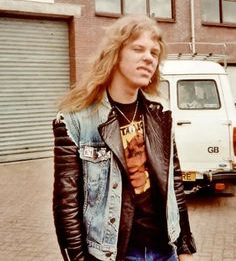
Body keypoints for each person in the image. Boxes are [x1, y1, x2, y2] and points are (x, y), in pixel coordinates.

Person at [52, 15, 196, 261]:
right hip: (113, 253)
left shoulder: (160, 112)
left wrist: (184, 247)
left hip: (165, 250)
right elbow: (66, 205)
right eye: (138, 49)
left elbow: (174, 182)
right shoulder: (76, 121)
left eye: (154, 52)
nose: (149, 58)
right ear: (115, 54)